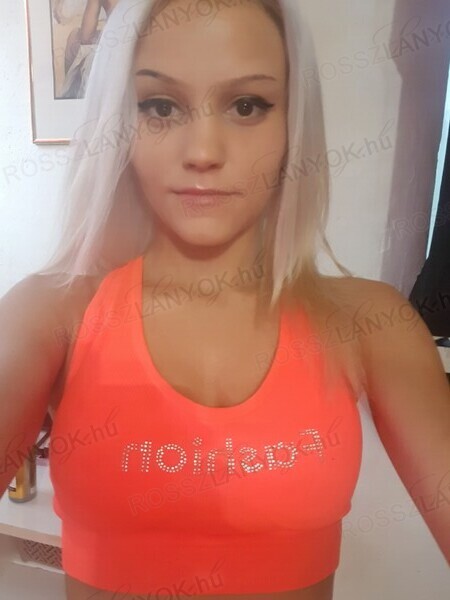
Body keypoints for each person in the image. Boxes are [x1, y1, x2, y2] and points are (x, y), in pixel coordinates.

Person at [1, 0, 449, 599]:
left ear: (294, 123)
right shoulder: (51, 314)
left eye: (247, 105)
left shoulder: (372, 324)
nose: (204, 151)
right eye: (161, 106)